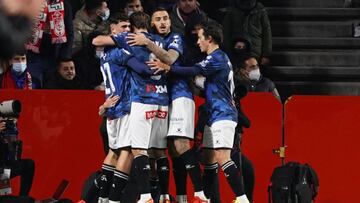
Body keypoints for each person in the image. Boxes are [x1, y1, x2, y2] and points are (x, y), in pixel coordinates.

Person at [149, 21, 251, 203]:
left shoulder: (217, 57)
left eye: (200, 38)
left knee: (222, 157)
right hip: (212, 116)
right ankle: (206, 197)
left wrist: (169, 68)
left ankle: (242, 198)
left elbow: (195, 70)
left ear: (209, 39)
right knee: (208, 158)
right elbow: (205, 82)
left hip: (223, 114)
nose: (197, 42)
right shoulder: (216, 60)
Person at [125, 7, 207, 203]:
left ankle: (201, 194)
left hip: (180, 94)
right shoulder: (151, 40)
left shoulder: (175, 38)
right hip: (161, 99)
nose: (162, 22)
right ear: (152, 24)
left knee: (181, 145)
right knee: (165, 150)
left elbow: (169, 58)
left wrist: (147, 43)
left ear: (171, 22)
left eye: (165, 19)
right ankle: (176, 197)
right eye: (158, 19)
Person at [26, 0, 74, 86]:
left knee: (52, 88)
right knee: (33, 86)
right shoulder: (31, 3)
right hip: (33, 54)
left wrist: (65, 57)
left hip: (55, 55)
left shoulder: (64, 5)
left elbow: (69, 32)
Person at [223, 0, 272, 66]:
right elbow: (226, 32)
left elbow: (266, 32)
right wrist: (228, 53)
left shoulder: (260, 9)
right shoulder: (232, 9)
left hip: (255, 52)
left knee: (254, 72)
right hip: (237, 51)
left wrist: (266, 54)